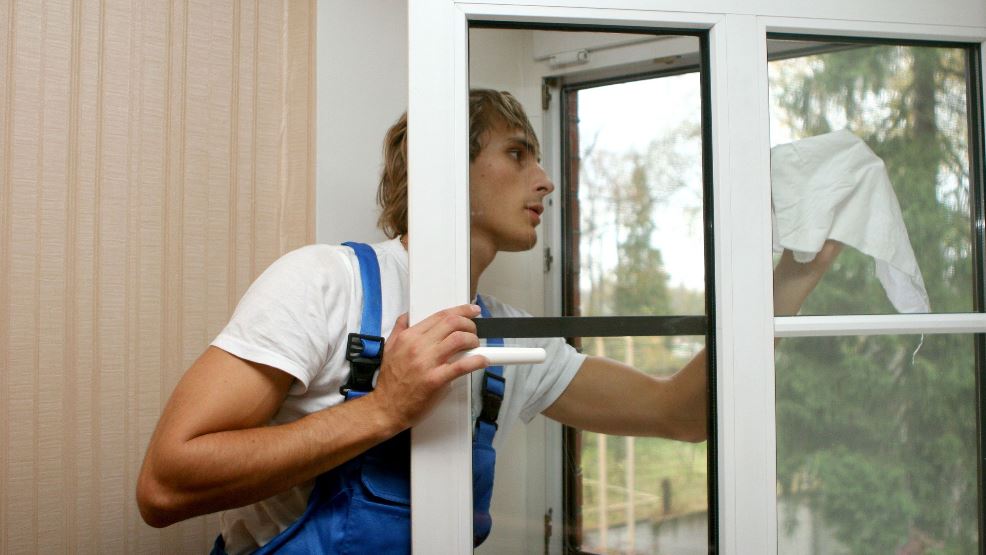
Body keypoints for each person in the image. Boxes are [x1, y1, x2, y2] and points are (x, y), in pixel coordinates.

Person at [136, 89, 840, 553]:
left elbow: (679, 412)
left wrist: (790, 280)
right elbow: (164, 485)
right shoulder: (326, 283)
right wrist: (384, 409)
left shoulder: (508, 338)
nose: (546, 179)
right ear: (449, 167)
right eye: (517, 152)